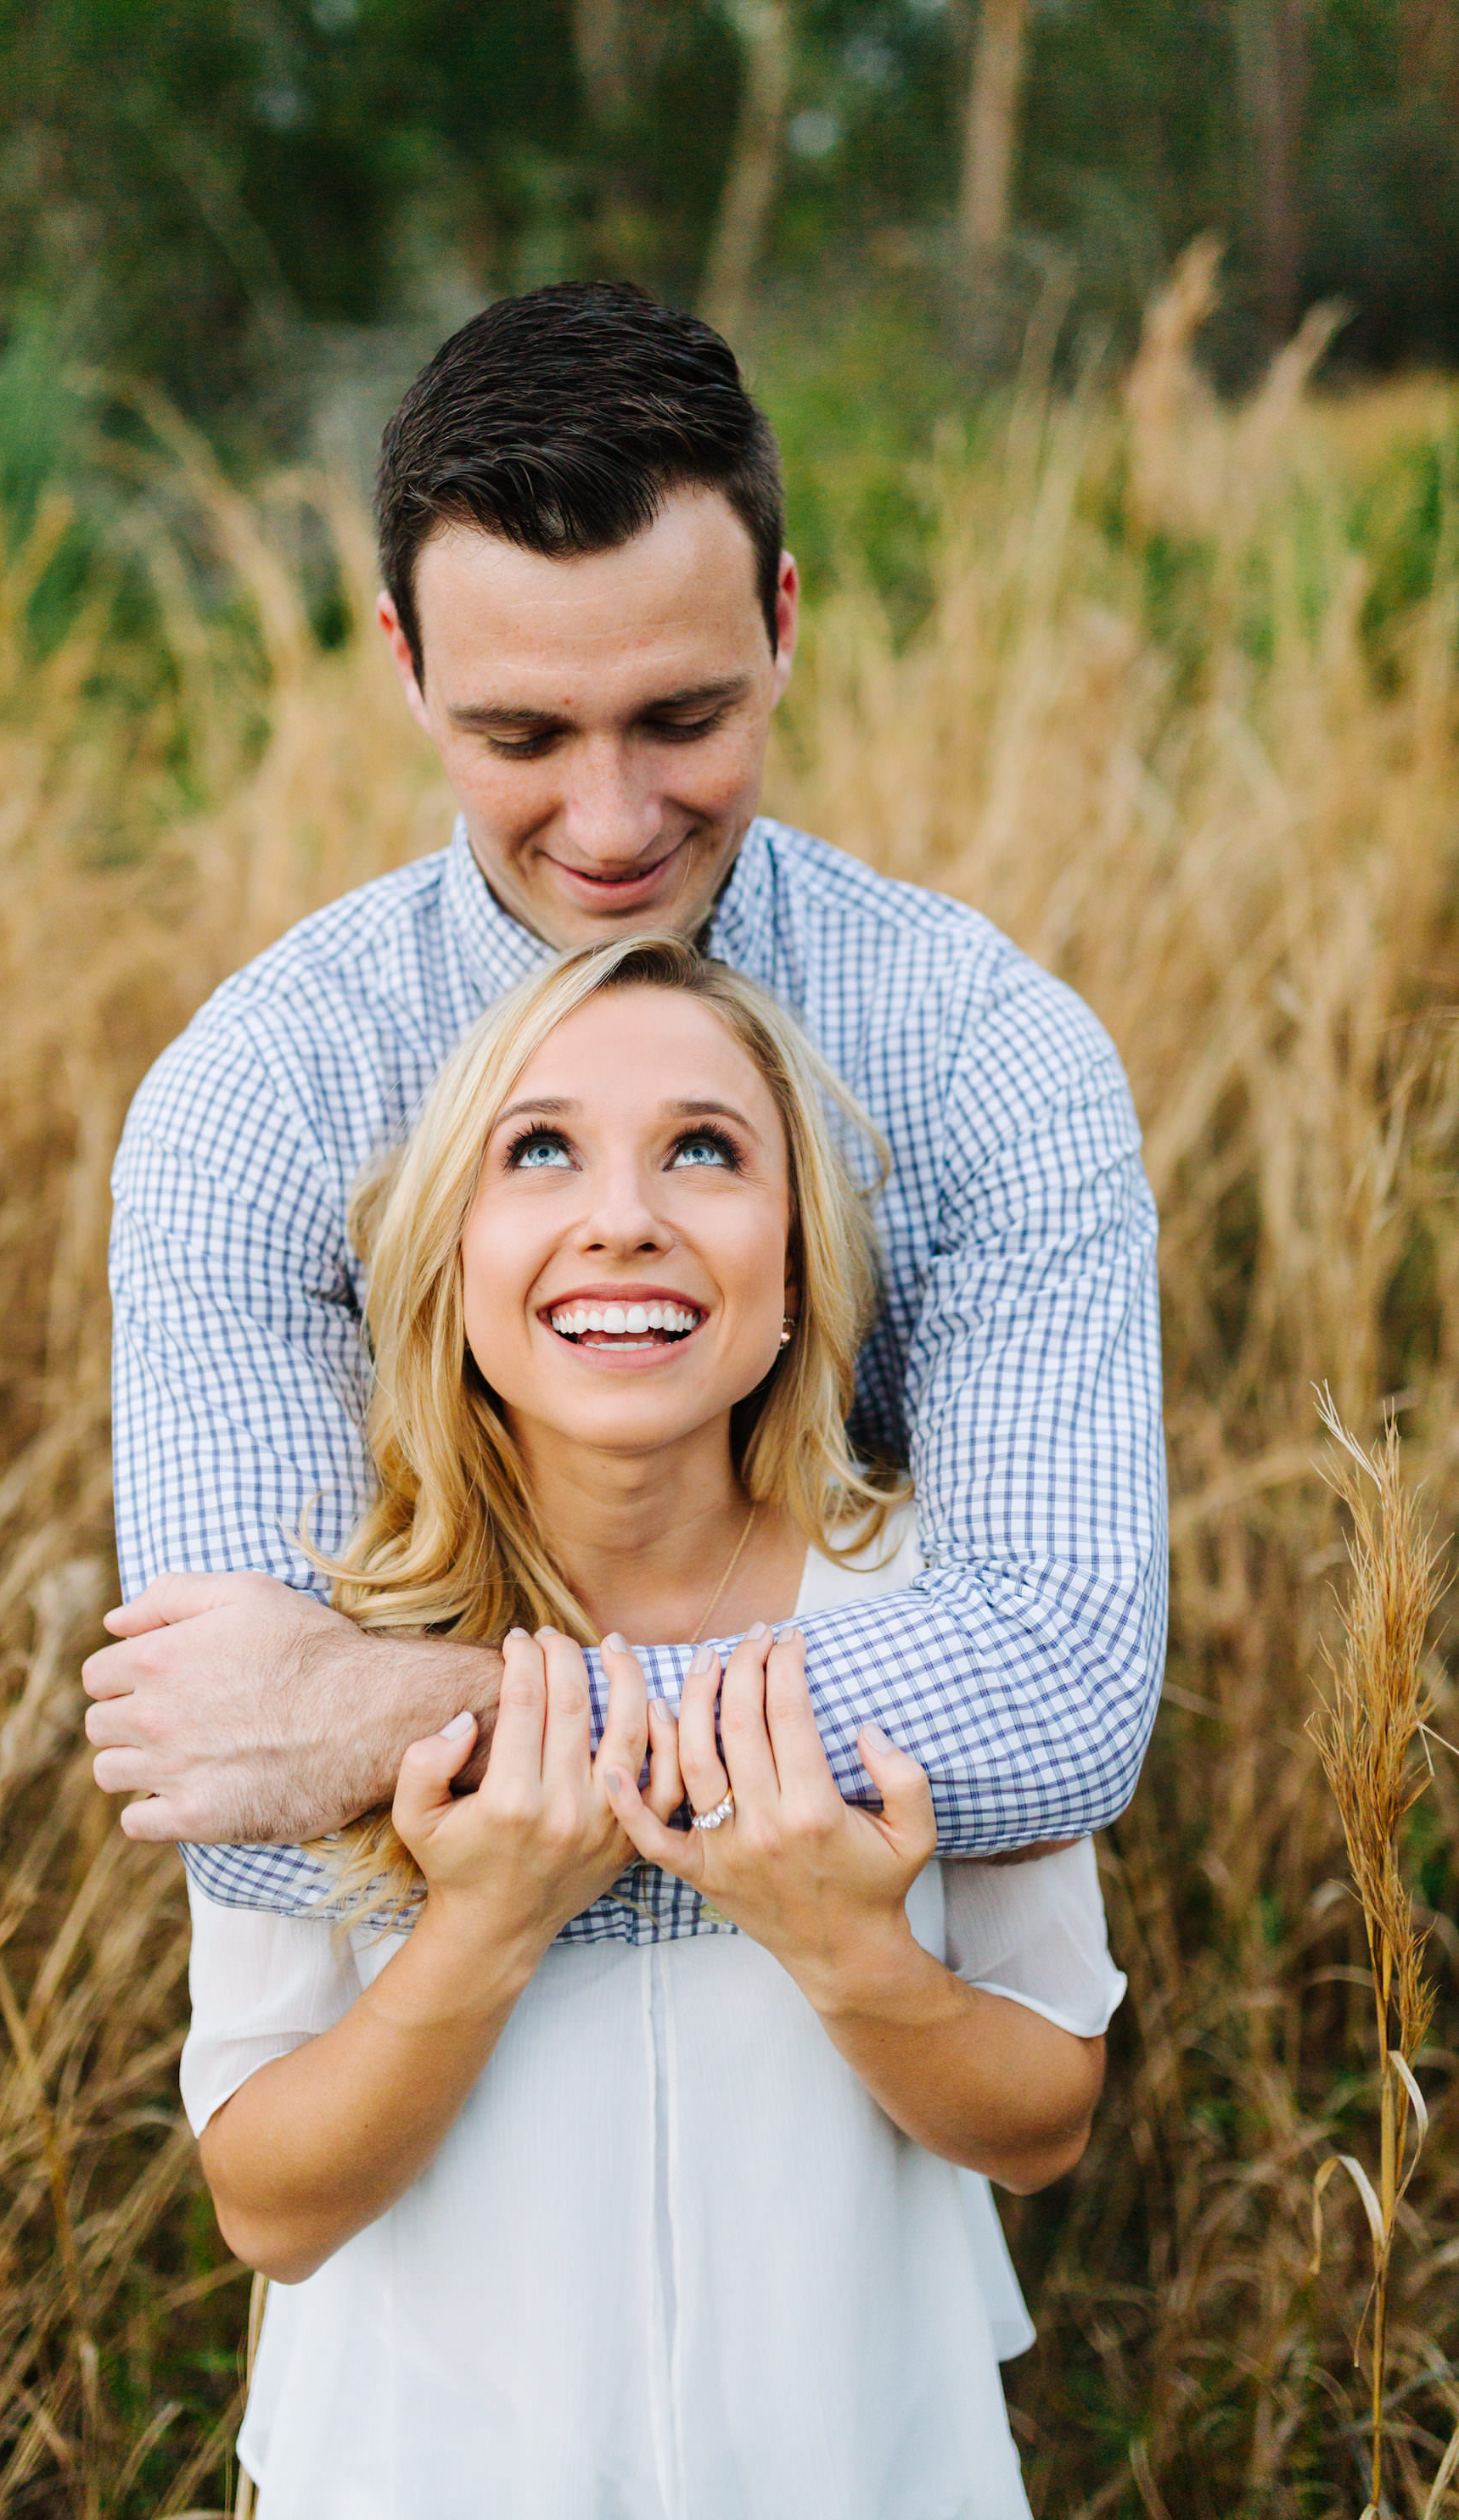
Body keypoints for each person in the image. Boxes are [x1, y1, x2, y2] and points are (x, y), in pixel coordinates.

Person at [84, 279, 1167, 1918]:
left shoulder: (984, 1053)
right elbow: (245, 1810)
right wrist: (831, 1783)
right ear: (403, 660)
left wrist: (409, 1713)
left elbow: (1064, 1696)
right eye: (521, 731)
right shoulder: (260, 1100)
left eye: (685, 718)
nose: (610, 822)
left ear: (784, 623)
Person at [181, 935, 1127, 2517]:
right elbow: (268, 2205)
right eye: (538, 1148)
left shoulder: (925, 1614)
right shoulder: (334, 1649)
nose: (624, 1214)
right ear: (452, 1256)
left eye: (706, 1147)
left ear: (795, 1265)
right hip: (420, 2472)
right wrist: (481, 1925)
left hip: (865, 2467)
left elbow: (1045, 2120)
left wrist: (850, 1948)